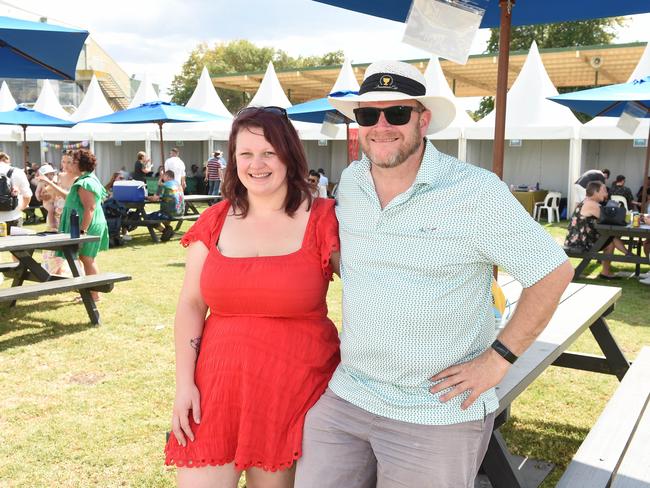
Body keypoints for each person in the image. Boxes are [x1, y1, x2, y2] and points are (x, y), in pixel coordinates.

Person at [294, 60, 574, 488]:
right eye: (368, 115)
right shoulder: (350, 183)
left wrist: (499, 359)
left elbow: (552, 273)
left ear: (423, 120)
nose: (381, 126)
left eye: (398, 113)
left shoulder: (475, 191)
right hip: (348, 396)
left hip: (436, 410)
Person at [164, 106, 341, 488]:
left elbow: (375, 284)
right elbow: (192, 304)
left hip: (296, 390)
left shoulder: (324, 218)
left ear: (289, 156)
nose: (256, 164)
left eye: (268, 153)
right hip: (217, 387)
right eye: (245, 154)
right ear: (233, 160)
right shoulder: (213, 220)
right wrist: (184, 384)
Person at [57, 149, 109, 301]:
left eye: (73, 162)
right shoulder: (85, 179)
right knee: (85, 258)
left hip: (87, 225)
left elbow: (90, 208)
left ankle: (94, 295)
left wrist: (82, 230)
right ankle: (91, 293)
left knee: (87, 258)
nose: (70, 165)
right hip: (85, 223)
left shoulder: (85, 182)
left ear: (81, 165)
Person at [565, 181, 630, 279]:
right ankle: (625, 258)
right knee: (610, 241)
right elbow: (612, 219)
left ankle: (627, 255)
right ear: (596, 192)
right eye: (604, 191)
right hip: (579, 242)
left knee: (609, 238)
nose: (607, 194)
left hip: (579, 238)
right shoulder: (591, 204)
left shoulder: (587, 202)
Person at [145, 170, 185, 242]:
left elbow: (155, 198)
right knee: (161, 213)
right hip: (180, 212)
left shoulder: (164, 185)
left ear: (166, 176)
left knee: (148, 218)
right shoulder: (178, 185)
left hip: (169, 214)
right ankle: (168, 229)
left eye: (163, 176)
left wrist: (146, 197)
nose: (162, 178)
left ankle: (165, 231)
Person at [0, 151, 32, 235]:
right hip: (13, 216)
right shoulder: (17, 172)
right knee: (17, 246)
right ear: (6, 161)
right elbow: (27, 196)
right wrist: (21, 208)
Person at [35, 164, 59, 230]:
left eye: (51, 174)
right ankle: (52, 225)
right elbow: (37, 192)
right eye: (46, 175)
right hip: (47, 202)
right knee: (51, 210)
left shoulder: (54, 181)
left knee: (57, 210)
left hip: (55, 200)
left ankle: (56, 224)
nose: (49, 176)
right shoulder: (41, 183)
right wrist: (38, 197)